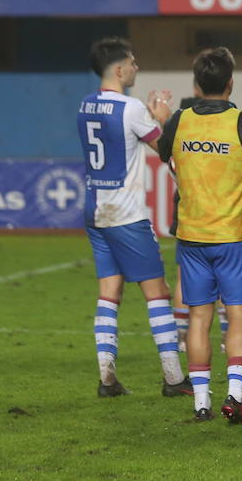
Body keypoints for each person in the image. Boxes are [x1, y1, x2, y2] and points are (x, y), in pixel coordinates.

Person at [159, 47, 242, 424]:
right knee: (238, 316)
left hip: (191, 237)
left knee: (198, 319)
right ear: (230, 81)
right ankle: (235, 394)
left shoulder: (178, 123)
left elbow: (166, 157)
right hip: (234, 236)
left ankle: (201, 402)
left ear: (196, 83)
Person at [76, 37, 191, 399]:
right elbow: (165, 148)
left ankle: (107, 379)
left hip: (96, 211)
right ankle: (174, 378)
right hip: (127, 215)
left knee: (109, 294)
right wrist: (162, 118)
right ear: (120, 69)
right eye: (133, 62)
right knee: (157, 293)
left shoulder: (85, 106)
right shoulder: (130, 109)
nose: (137, 68)